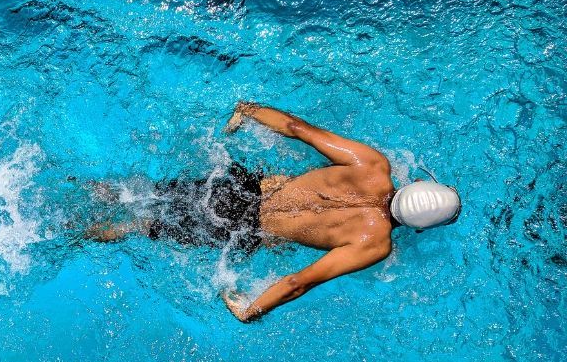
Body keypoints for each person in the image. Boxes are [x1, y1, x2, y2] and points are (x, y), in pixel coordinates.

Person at [85, 102, 461, 322]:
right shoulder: (375, 244)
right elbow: (299, 281)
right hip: (243, 229)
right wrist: (251, 310)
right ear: (420, 228)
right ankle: (76, 234)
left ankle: (83, 187)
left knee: (140, 194)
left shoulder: (372, 165)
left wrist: (249, 111)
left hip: (241, 187)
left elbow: (298, 128)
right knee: (141, 225)